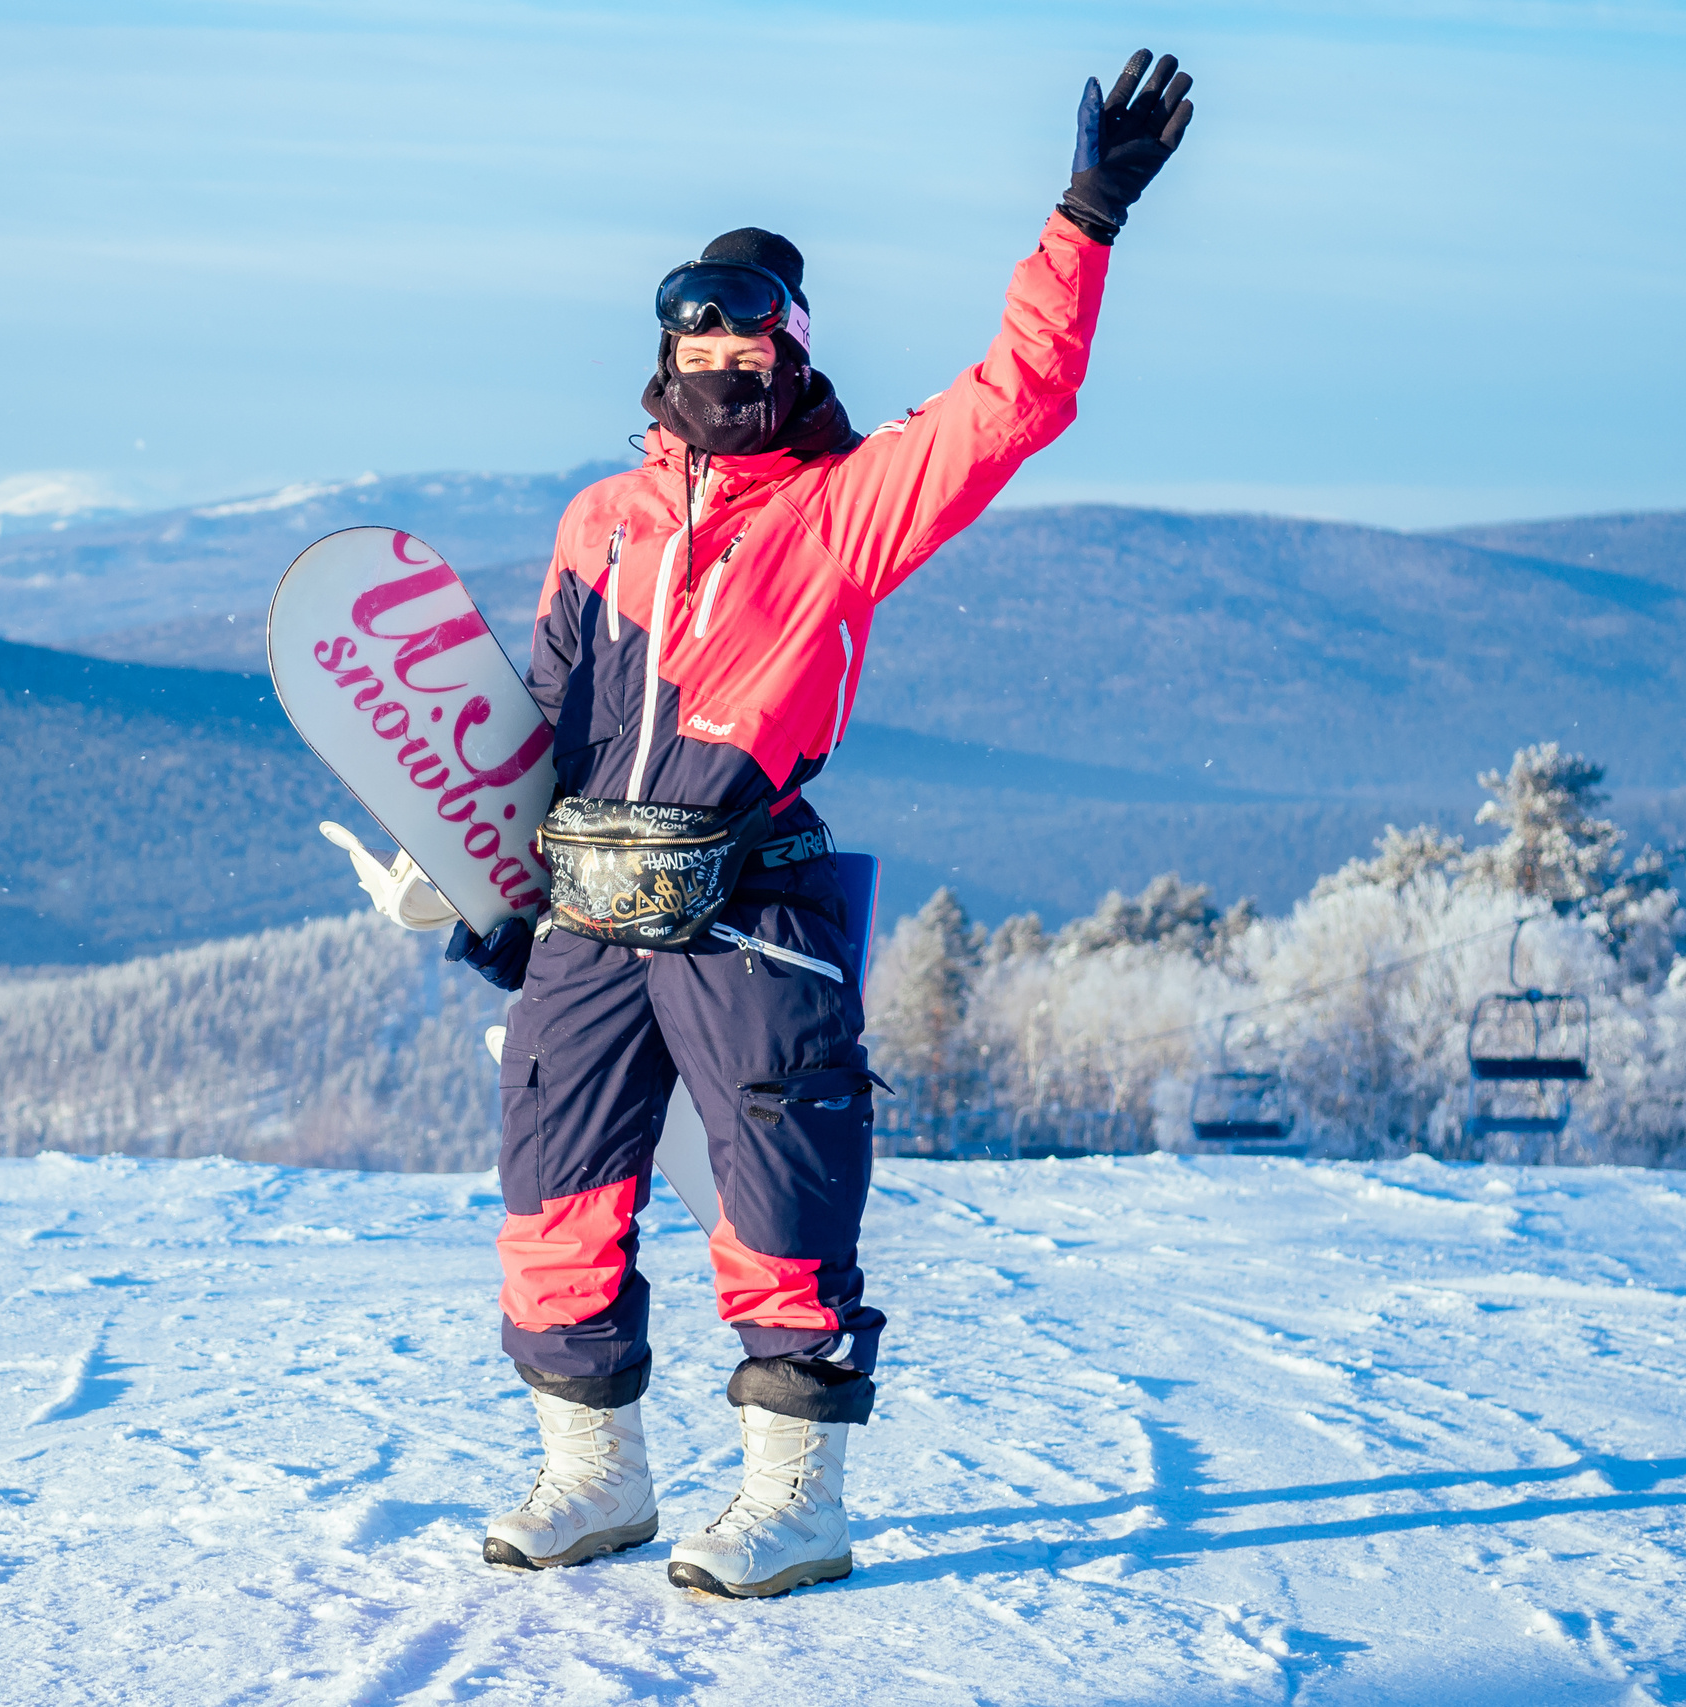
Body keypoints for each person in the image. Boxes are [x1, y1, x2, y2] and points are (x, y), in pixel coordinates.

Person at [335, 50, 1193, 1598]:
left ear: (789, 347)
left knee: (779, 1191)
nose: (716, 349)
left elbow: (1018, 401)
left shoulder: (846, 503)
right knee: (552, 1192)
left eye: (743, 326)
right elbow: (533, 716)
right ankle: (595, 1478)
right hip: (592, 905)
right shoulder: (602, 518)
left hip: (749, 896)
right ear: (663, 349)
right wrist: (478, 872)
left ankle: (798, 1503)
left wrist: (1085, 216)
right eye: (693, 327)